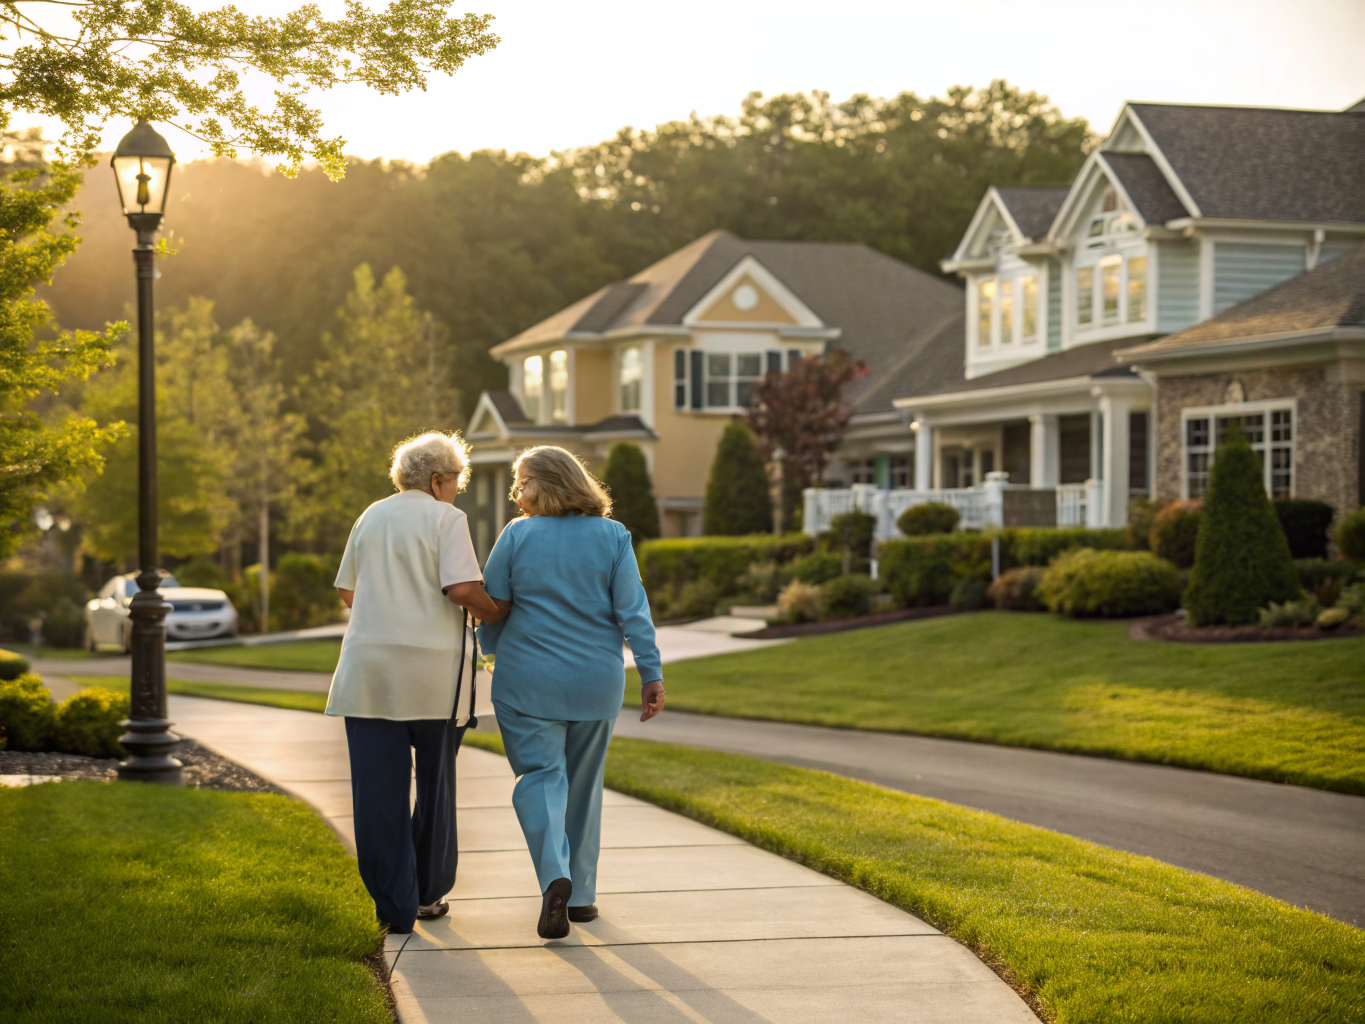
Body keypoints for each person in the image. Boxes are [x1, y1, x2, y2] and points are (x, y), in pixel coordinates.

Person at [477, 445, 665, 940]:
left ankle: (553, 874)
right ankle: (580, 896)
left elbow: (493, 605)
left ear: (548, 482)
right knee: (584, 788)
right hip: (595, 683)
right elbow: (634, 611)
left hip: (527, 682)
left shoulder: (517, 535)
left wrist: (487, 648)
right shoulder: (613, 536)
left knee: (540, 778)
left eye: (523, 483)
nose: (517, 494)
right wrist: (651, 673)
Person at [326, 431, 506, 935]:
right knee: (435, 785)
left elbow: (348, 590)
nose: (456, 492)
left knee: (376, 791)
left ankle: (394, 906)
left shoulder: (370, 515)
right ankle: (428, 893)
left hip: (367, 673)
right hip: (434, 674)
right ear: (435, 480)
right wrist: (497, 613)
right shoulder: (447, 518)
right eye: (455, 482)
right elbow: (462, 589)